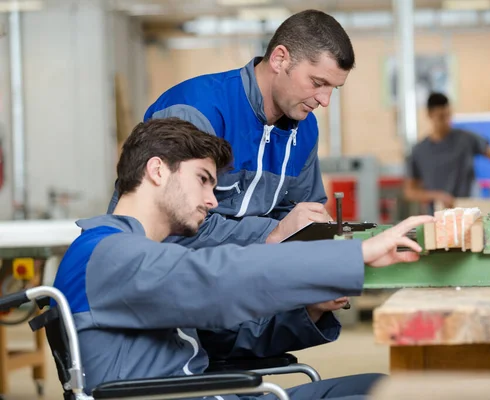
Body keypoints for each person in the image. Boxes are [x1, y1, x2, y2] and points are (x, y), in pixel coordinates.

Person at [55, 118, 433, 399]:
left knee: (389, 387)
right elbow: (218, 280)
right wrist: (355, 254)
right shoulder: (104, 254)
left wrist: (310, 309)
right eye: (203, 179)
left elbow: (218, 338)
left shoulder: (135, 254)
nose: (213, 200)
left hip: (218, 392)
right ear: (157, 170)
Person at [106, 9, 358, 364]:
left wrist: (317, 257)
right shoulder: (195, 111)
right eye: (317, 83)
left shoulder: (305, 132)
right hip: (165, 305)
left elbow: (299, 218)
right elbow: (171, 226)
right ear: (280, 58)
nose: (325, 100)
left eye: (334, 88)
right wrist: (273, 234)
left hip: (231, 300)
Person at [404, 92, 490, 213]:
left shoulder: (466, 139)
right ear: (430, 114)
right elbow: (410, 191)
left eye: (448, 115)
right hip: (439, 216)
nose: (446, 121)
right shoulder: (419, 151)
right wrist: (435, 196)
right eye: (441, 116)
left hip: (469, 211)